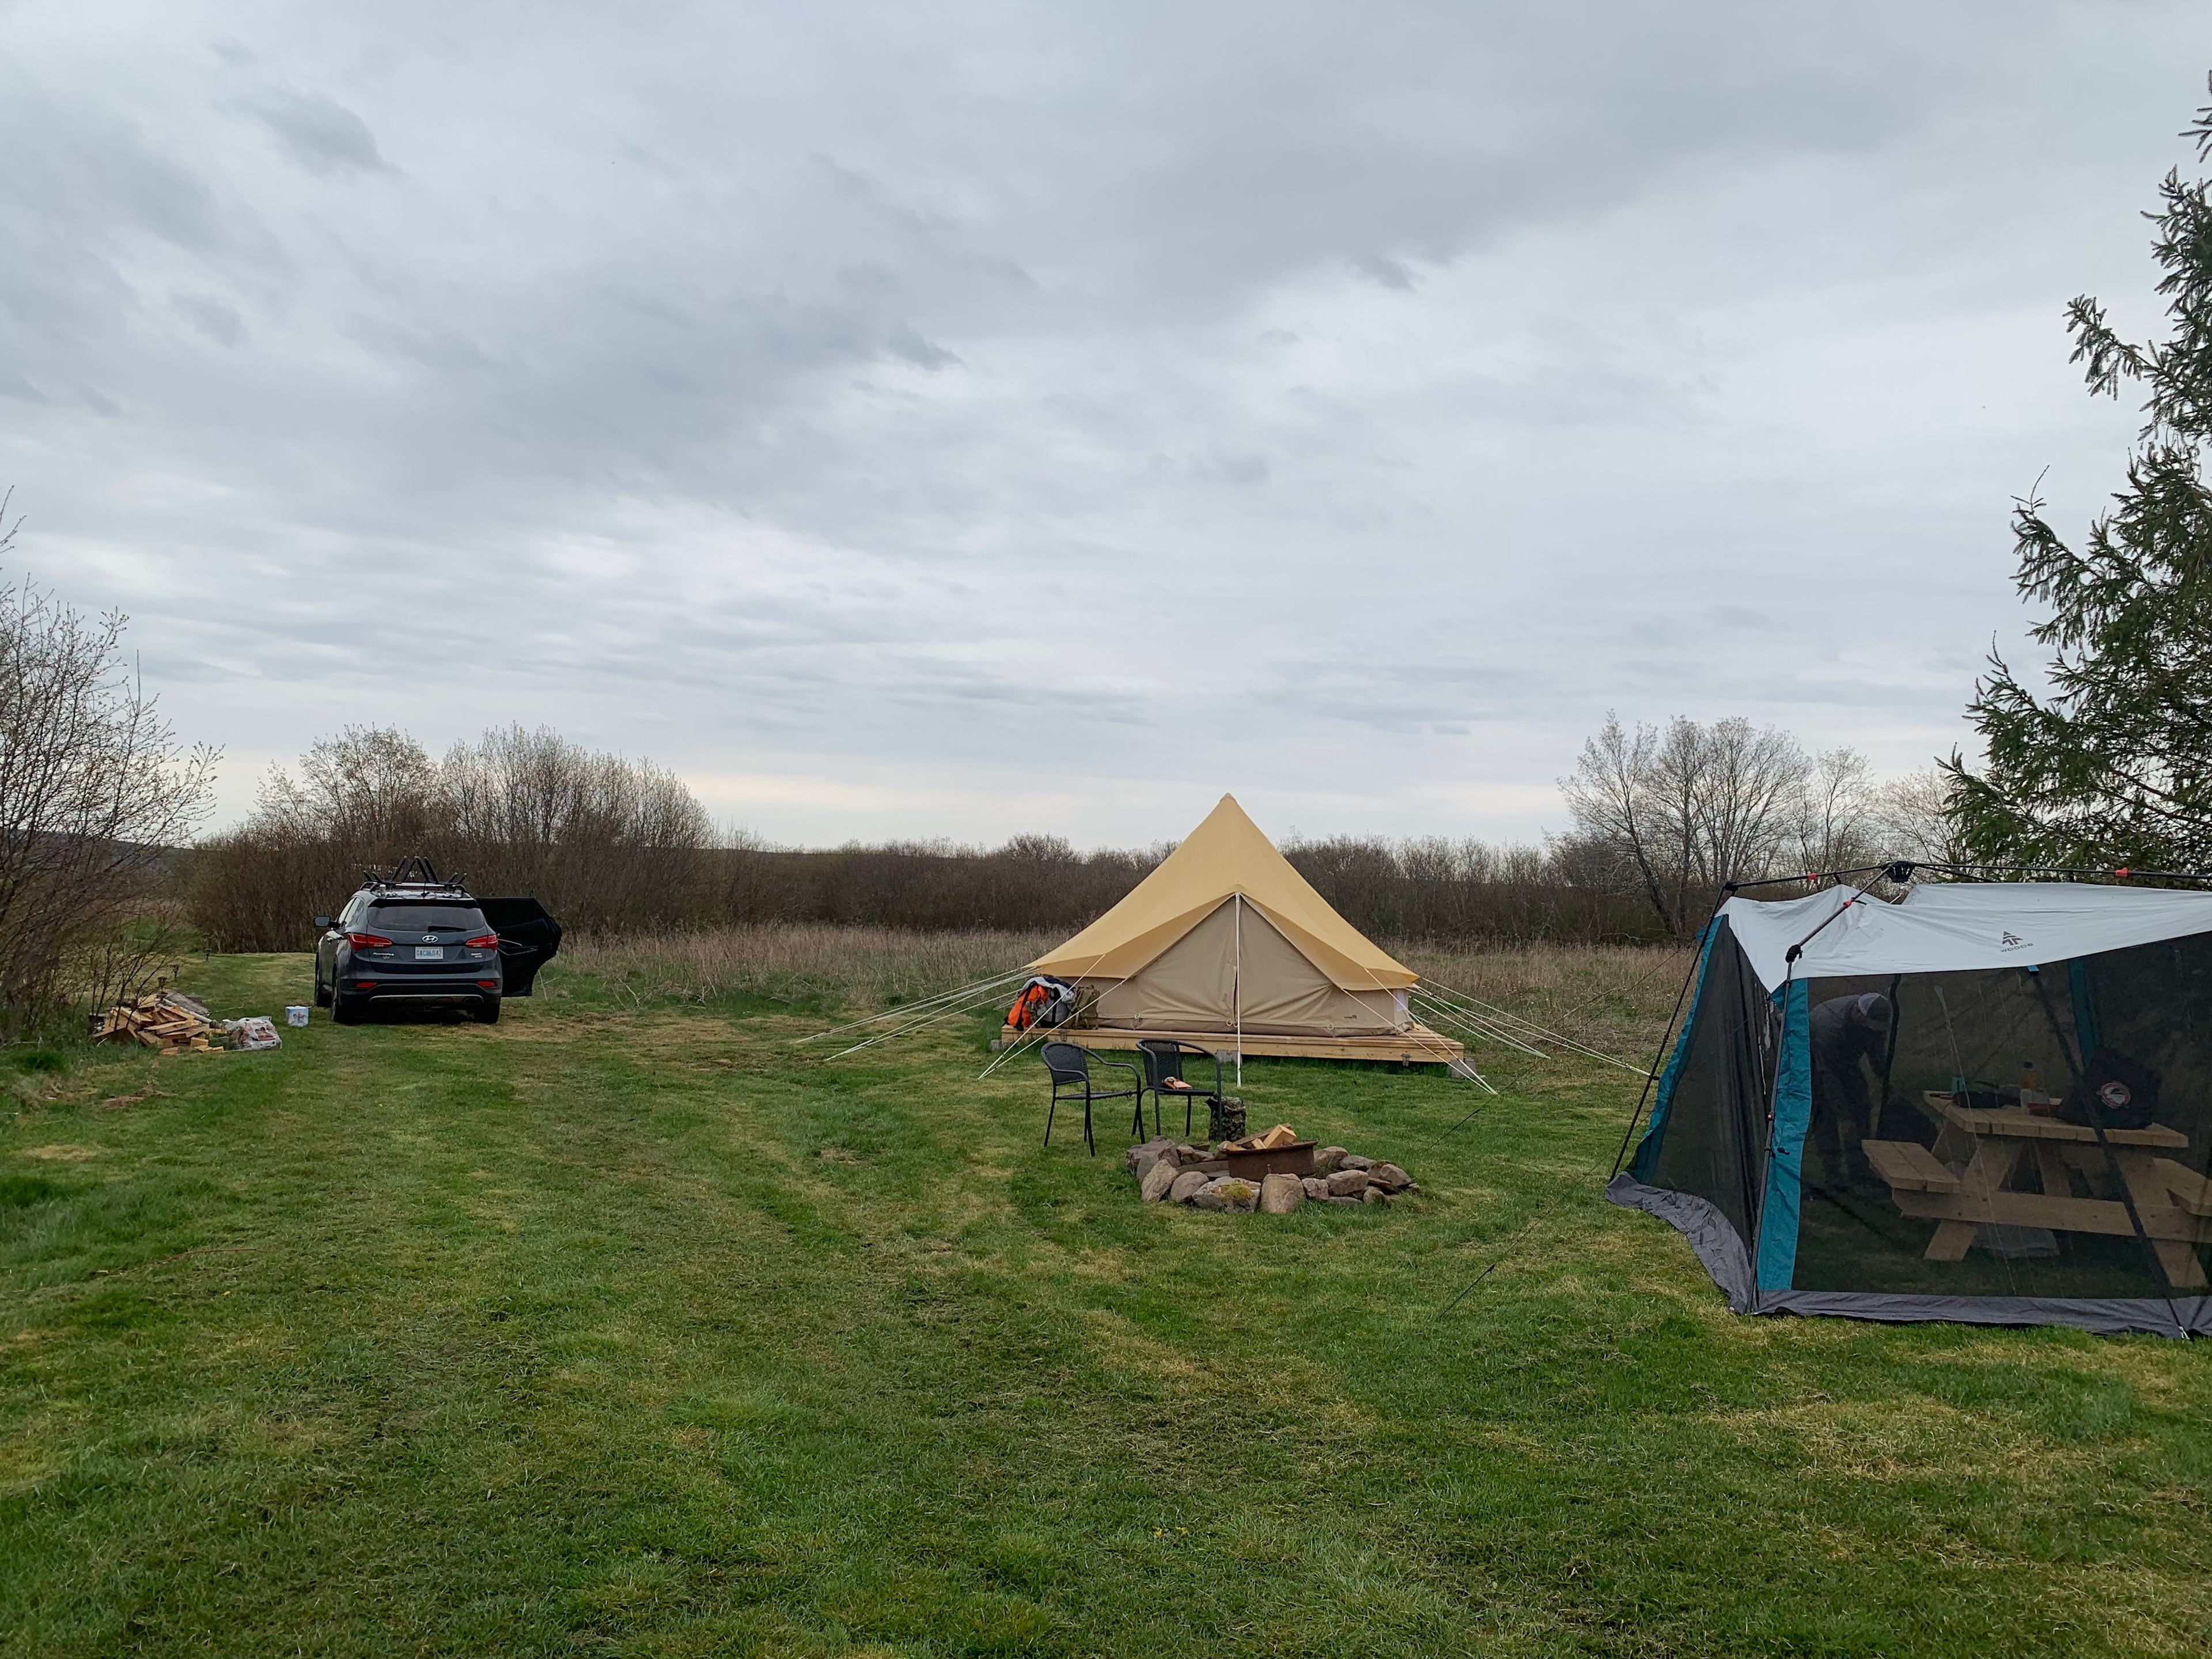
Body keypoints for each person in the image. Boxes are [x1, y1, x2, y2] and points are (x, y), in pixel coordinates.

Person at [1808, 991, 1892, 1190]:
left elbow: (1876, 1049)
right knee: (1826, 1112)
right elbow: (1829, 1078)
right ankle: (1833, 1173)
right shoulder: (1829, 1027)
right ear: (1858, 1014)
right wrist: (1844, 1117)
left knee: (1862, 1106)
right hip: (1817, 1057)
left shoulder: (1877, 1018)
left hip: (1847, 1059)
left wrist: (1884, 1078)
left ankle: (1860, 1170)